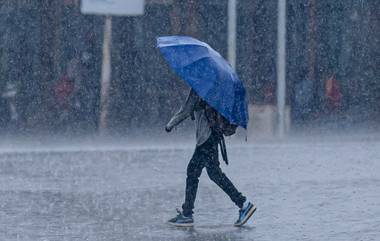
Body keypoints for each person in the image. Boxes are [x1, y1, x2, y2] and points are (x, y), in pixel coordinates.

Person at [166, 88, 256, 227]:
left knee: (193, 172)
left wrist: (170, 124)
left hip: (206, 138)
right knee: (214, 173)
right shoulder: (214, 89)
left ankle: (187, 214)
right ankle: (243, 204)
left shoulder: (199, 88)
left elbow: (186, 110)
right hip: (213, 135)